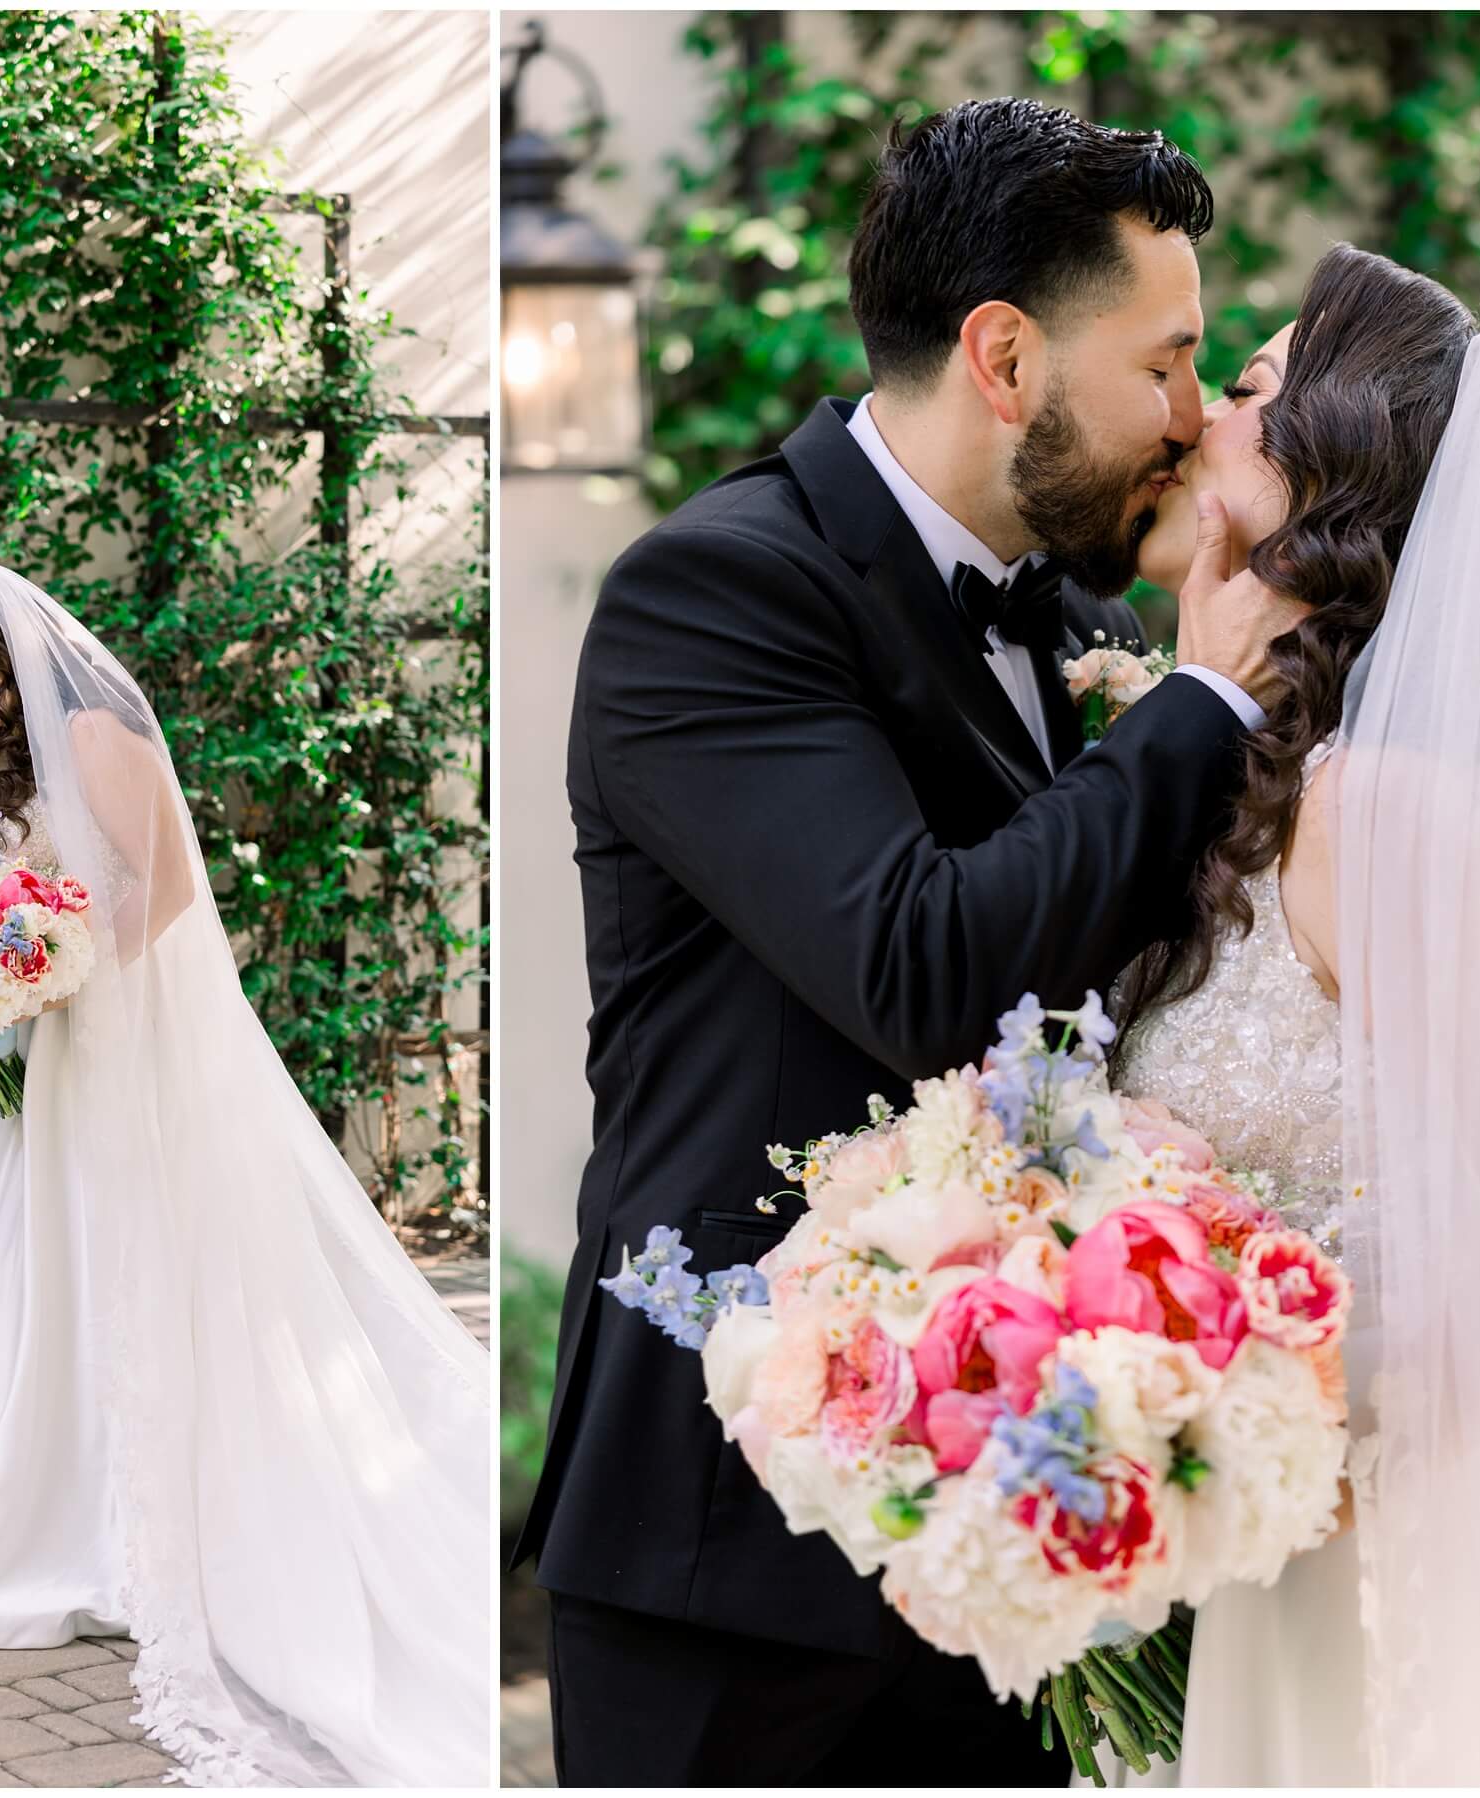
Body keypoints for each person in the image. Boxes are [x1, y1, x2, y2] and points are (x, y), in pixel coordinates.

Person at [523, 97, 1304, 1785]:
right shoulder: (714, 591)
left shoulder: (1085, 621)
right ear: (1005, 355)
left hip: (1011, 1538)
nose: (1188, 416)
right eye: (1165, 364)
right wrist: (1211, 700)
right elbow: (925, 968)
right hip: (726, 1543)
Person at [1108, 246, 1480, 1785]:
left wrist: (1334, 1469)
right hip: (1260, 1543)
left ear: (1329, 461)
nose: (1196, 415)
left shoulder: (1397, 807)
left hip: (1372, 1566)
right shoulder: (1290, 786)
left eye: (1243, 387)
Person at [0, 562, 492, 1788]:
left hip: (107, 1033)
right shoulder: (8, 761)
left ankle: (92, 1524)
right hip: (25, 1043)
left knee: (103, 1245)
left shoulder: (92, 726)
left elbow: (168, 884)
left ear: (11, 639)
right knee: (22, 1262)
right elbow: (22, 886)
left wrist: (57, 975)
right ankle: (9, 1499)